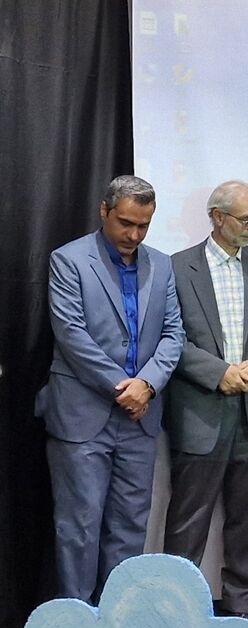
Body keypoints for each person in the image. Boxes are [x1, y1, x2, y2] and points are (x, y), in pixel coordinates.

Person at [36, 175, 184, 602]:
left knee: (131, 525)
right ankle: (79, 624)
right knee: (79, 526)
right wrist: (125, 389)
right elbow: (71, 334)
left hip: (140, 419)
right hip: (83, 415)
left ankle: (119, 620)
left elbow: (174, 333)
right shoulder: (69, 260)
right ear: (104, 211)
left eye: (143, 226)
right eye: (125, 223)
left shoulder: (161, 265)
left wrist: (148, 384)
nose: (133, 235)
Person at [163, 180, 248, 628]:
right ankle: (175, 613)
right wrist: (218, 372)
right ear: (217, 217)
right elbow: (170, 340)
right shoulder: (177, 267)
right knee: (189, 520)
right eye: (247, 220)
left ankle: (240, 610)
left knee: (246, 519)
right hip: (201, 410)